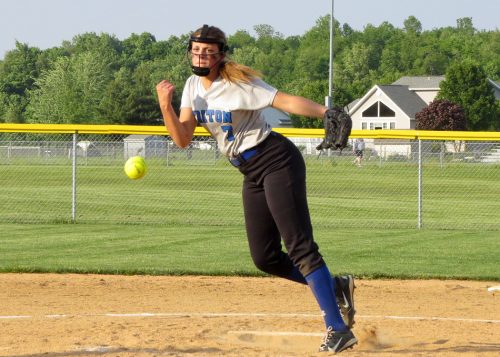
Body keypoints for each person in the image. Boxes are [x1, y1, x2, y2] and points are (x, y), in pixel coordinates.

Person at [156, 25, 357, 353]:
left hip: (277, 161)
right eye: (195, 50)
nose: (200, 56)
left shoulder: (238, 83)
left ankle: (338, 329)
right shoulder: (193, 86)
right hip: (250, 171)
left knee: (300, 248)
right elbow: (182, 139)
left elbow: (284, 100)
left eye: (207, 52)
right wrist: (166, 106)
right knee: (265, 257)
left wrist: (327, 112)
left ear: (221, 55)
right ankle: (335, 287)